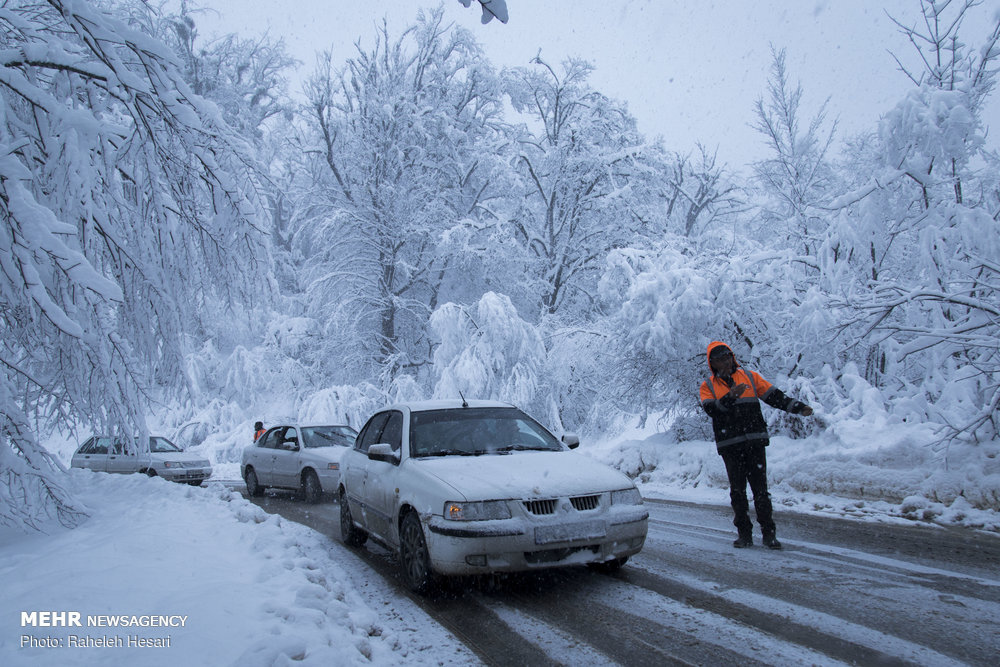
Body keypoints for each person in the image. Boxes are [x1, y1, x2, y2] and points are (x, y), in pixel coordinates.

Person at [699, 341, 814, 550]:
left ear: (732, 357)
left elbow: (775, 397)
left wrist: (798, 407)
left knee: (761, 490)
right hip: (730, 446)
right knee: (738, 492)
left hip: (754, 441)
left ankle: (769, 534)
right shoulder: (708, 386)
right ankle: (744, 534)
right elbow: (711, 410)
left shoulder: (750, 377)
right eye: (718, 359)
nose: (724, 361)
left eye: (727, 357)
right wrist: (730, 397)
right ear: (712, 363)